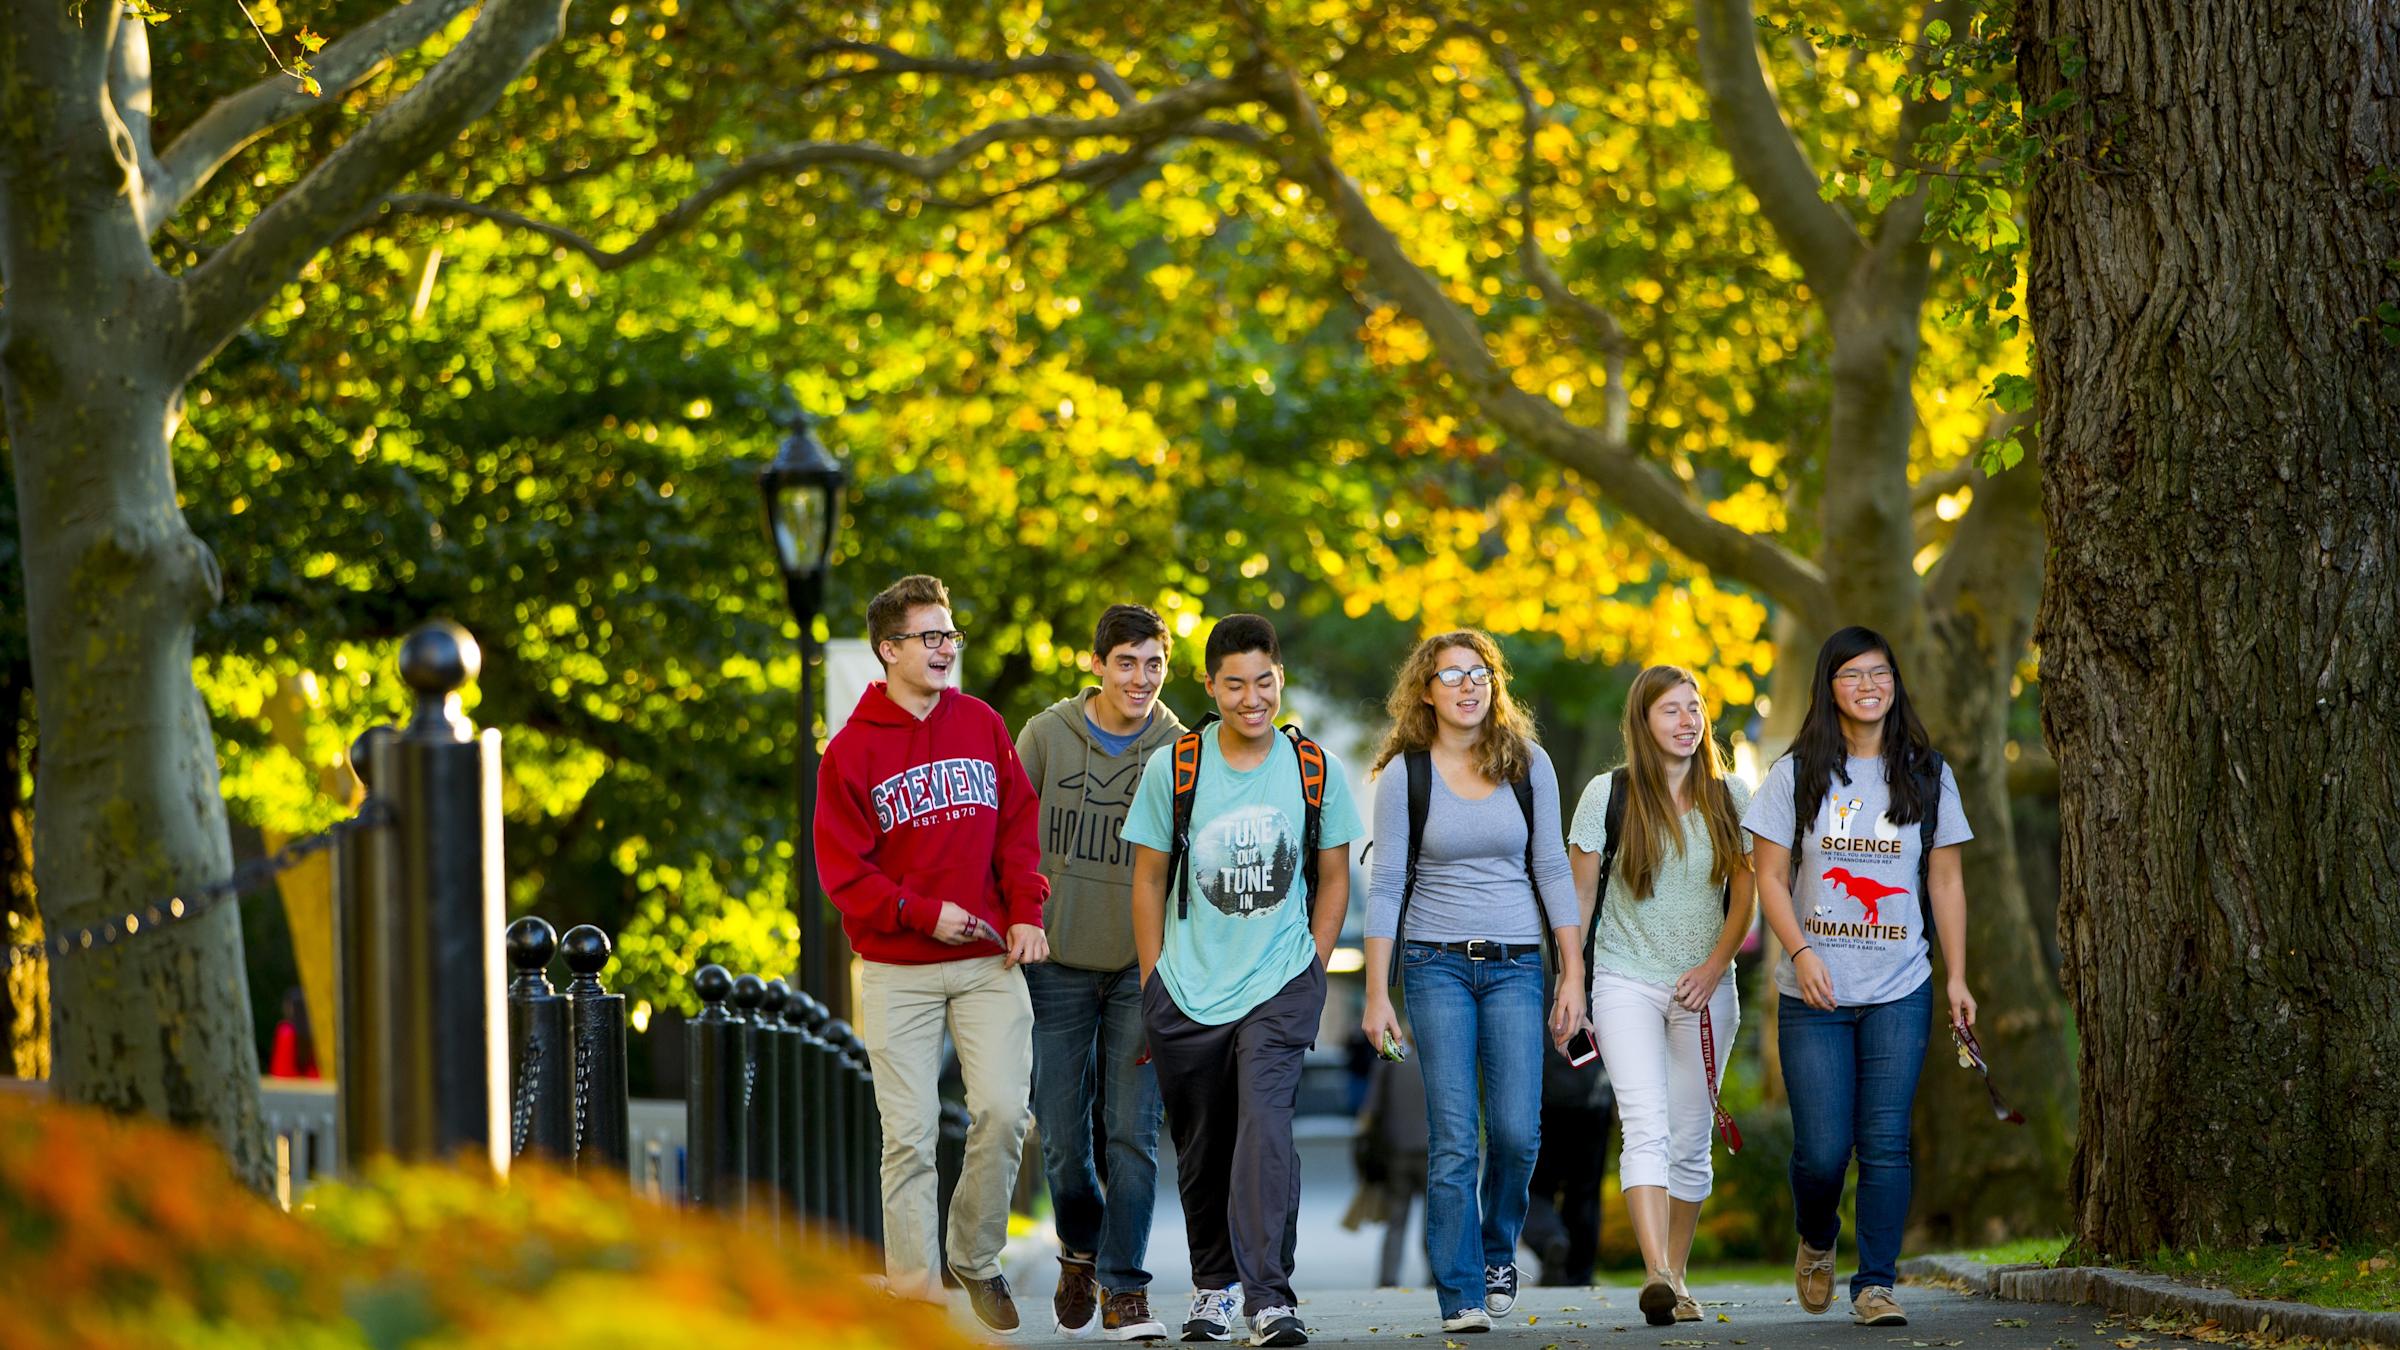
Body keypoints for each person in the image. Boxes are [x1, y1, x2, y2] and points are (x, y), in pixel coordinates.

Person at [815, 574, 1050, 1331]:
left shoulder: (982, 723)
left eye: (951, 635)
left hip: (988, 957)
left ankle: (976, 1260)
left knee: (1004, 1111)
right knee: (909, 1134)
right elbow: (843, 873)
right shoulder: (849, 753)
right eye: (930, 637)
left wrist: (1024, 914)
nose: (946, 648)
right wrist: (918, 913)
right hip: (895, 969)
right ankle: (915, 1293)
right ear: (889, 649)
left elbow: (1019, 828)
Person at [1123, 614, 1363, 1349]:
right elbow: (1148, 879)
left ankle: (1269, 1299)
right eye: (1235, 684)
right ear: (1210, 686)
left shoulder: (1313, 767)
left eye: (1264, 681)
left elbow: (1333, 875)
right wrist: (1154, 979)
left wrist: (1312, 965)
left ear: (1279, 678)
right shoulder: (1178, 766)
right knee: (1203, 1147)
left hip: (1280, 978)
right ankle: (1214, 1287)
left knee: (1263, 1128)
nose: (1251, 698)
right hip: (1189, 987)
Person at [1740, 626, 1978, 1328]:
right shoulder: (1795, 774)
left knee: (1884, 1140)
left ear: (1895, 683)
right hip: (1814, 992)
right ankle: (1817, 1237)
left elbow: (1945, 881)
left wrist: (1957, 978)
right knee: (1820, 1152)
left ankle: (1875, 1283)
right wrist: (1802, 951)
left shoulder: (1927, 773)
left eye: (1880, 673)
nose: (1869, 686)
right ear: (1830, 687)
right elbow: (1770, 876)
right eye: (1852, 675)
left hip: (1900, 986)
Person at [1359, 629, 1584, 1334]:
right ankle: (1459, 1291)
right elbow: (1388, 884)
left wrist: (1571, 973)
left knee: (1517, 1132)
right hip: (1435, 965)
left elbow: (1551, 868)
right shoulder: (1406, 775)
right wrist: (1375, 993)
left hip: (1519, 963)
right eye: (1450, 675)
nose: (1466, 685)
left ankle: (1496, 1251)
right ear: (1426, 691)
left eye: (1478, 673)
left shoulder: (1528, 764)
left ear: (1494, 685)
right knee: (1455, 1136)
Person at [1564, 665, 1755, 1325]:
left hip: (1707, 990)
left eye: (1694, 709)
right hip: (1625, 980)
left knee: (1691, 1137)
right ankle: (1656, 1275)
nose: (1686, 722)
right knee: (1644, 1122)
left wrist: (1713, 966)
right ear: (1644, 722)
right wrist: (1571, 981)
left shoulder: (1731, 797)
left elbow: (1745, 900)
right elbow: (1580, 899)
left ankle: (1677, 1273)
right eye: (1670, 710)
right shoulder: (1607, 795)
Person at [1016, 604, 1185, 1340]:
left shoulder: (1181, 749)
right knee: (1059, 1132)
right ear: (1097, 665)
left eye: (1153, 664)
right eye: (1126, 662)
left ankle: (1124, 1287)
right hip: (1053, 965)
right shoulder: (1046, 735)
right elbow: (1008, 836)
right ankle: (1080, 1247)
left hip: (1137, 973)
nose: (1140, 678)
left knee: (1133, 1135)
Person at [1520, 1020, 1612, 1287]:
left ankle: (1550, 1239)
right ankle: (1579, 1271)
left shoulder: (1534, 988)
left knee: (1535, 1187)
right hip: (1593, 1102)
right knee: (1584, 1192)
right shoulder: (1593, 986)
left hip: (1546, 1103)